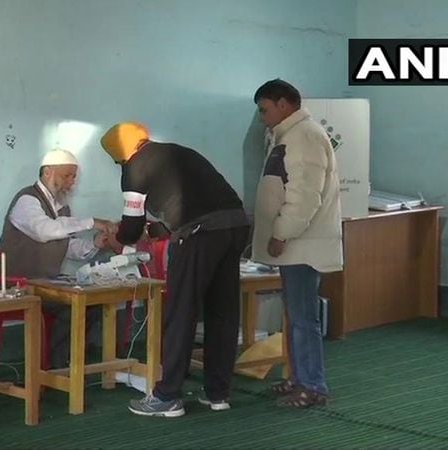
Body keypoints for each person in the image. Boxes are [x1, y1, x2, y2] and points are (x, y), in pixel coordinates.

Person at [100, 122, 249, 418]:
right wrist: (157, 229)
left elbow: (131, 227)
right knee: (222, 311)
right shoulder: (178, 152)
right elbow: (191, 201)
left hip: (198, 235)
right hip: (236, 227)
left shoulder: (134, 167)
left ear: (119, 154)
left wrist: (118, 235)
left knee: (181, 311)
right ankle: (217, 393)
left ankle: (167, 396)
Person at [251, 79, 343, 408]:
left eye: (265, 109)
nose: (262, 116)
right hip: (295, 245)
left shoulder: (304, 137)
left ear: (283, 104)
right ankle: (299, 379)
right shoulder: (289, 135)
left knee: (304, 317)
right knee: (295, 315)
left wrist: (281, 233)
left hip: (301, 245)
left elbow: (304, 196)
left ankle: (313, 386)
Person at [0, 148, 113, 368]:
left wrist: (95, 243)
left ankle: (69, 363)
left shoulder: (61, 207)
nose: (72, 183)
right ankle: (57, 369)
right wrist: (91, 222)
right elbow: (45, 231)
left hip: (43, 282)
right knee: (70, 306)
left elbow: (67, 246)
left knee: (92, 303)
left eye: (74, 177)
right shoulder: (27, 200)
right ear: (48, 172)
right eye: (67, 176)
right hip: (17, 284)